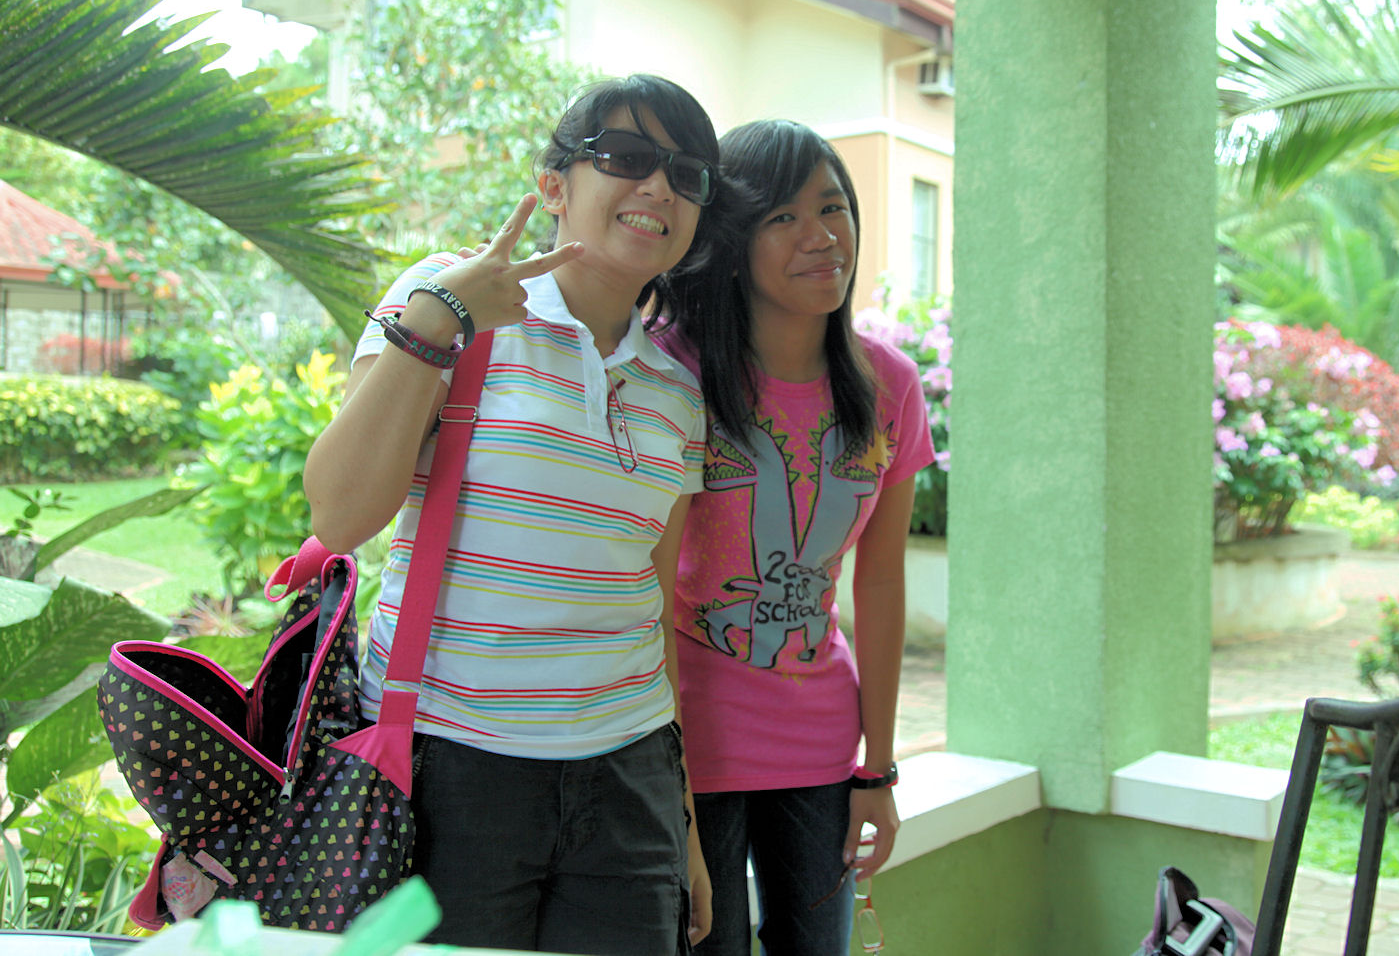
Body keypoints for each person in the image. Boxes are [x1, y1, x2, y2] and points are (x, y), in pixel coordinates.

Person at [303, 75, 721, 954]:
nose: (659, 188)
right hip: (447, 769)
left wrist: (679, 824)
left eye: (687, 175)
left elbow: (650, 605)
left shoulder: (677, 391)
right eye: (628, 158)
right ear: (553, 186)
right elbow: (341, 516)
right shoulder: (446, 301)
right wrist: (439, 320)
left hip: (630, 773)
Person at [649, 120, 935, 955]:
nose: (822, 237)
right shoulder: (675, 374)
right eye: (783, 217)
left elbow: (879, 587)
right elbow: (648, 584)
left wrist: (876, 768)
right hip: (691, 741)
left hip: (819, 744)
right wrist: (668, 782)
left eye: (834, 208)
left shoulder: (889, 386)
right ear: (731, 240)